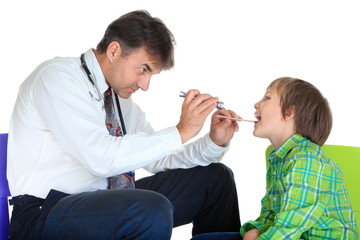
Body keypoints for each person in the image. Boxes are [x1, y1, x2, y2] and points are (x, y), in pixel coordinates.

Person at [7, 10, 241, 240]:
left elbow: (160, 158)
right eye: (143, 69)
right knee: (149, 208)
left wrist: (213, 142)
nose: (145, 85)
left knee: (215, 179)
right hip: (43, 214)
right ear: (114, 51)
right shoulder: (57, 78)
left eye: (151, 75)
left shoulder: (119, 100)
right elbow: (101, 159)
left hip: (104, 203)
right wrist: (181, 131)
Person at [240, 77, 359, 239]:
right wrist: (257, 229)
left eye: (267, 98)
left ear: (289, 112)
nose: (256, 104)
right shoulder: (278, 158)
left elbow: (291, 225)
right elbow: (272, 212)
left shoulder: (306, 160)